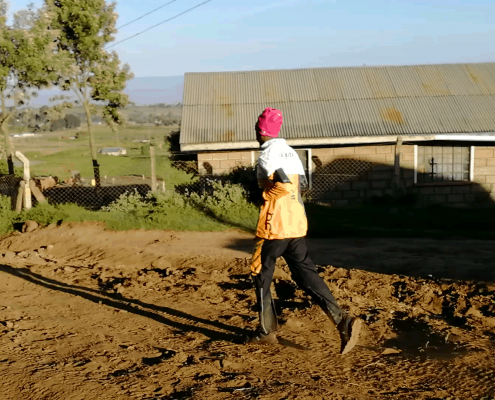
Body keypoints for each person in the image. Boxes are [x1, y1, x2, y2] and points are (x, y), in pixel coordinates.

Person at [245, 107, 362, 355]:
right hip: (296, 225)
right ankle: (342, 321)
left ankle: (265, 332)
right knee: (305, 274)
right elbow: (301, 186)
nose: (256, 133)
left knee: (261, 274)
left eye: (257, 128)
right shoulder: (290, 152)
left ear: (261, 130)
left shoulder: (268, 156)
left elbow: (285, 186)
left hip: (274, 228)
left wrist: (263, 194)